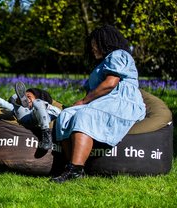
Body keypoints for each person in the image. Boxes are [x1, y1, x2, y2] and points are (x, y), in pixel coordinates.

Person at [52, 24, 146, 183]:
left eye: (96, 43)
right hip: (104, 101)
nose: (93, 47)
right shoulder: (100, 64)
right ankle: (73, 167)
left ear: (106, 42)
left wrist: (83, 102)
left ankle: (75, 168)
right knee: (66, 115)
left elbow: (111, 83)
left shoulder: (119, 54)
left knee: (85, 115)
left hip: (121, 100)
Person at [0, 82, 62, 150]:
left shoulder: (42, 103)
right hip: (29, 117)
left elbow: (58, 112)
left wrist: (39, 104)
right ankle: (17, 101)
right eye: (25, 96)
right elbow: (2, 103)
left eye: (29, 96)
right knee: (18, 105)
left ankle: (46, 134)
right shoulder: (15, 108)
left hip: (48, 114)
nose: (27, 98)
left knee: (38, 103)